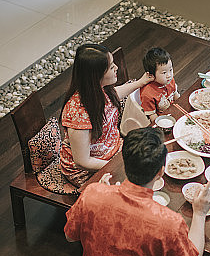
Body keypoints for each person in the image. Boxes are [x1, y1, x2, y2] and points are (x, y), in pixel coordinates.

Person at [64, 127, 210, 256]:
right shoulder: (168, 222)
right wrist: (199, 213)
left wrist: (102, 193)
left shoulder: (92, 193)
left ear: (125, 161)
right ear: (161, 171)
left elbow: (70, 236)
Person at [60, 44, 153, 187]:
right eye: (111, 67)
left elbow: (116, 93)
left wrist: (140, 83)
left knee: (152, 160)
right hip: (87, 171)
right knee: (135, 188)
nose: (116, 67)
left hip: (114, 151)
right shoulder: (77, 113)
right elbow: (82, 161)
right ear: (96, 75)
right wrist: (119, 164)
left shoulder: (100, 90)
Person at [139, 47, 180, 120]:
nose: (169, 75)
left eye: (170, 70)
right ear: (151, 75)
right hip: (163, 119)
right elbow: (153, 116)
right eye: (164, 72)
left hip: (174, 111)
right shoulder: (147, 94)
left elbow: (175, 95)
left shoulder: (169, 80)